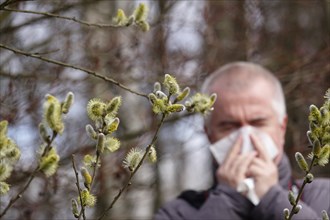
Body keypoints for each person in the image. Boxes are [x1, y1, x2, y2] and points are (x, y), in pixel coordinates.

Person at [154, 62, 330, 220]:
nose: (245, 135)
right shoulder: (178, 213)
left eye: (258, 122)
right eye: (229, 126)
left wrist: (272, 199)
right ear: (209, 134)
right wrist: (228, 200)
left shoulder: (323, 198)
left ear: (281, 128)